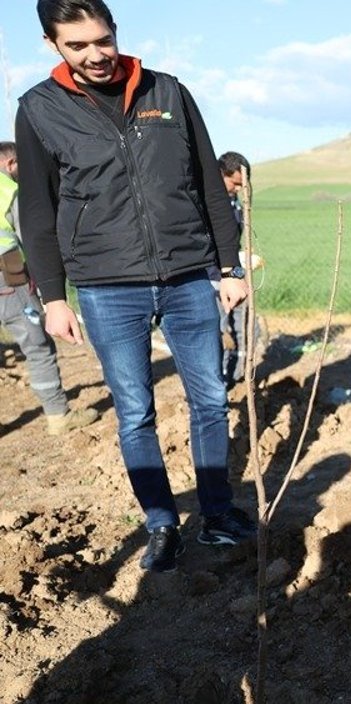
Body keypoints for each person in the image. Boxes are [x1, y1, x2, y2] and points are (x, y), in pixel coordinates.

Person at [16, 0, 256, 573]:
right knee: (135, 413)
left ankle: (218, 513)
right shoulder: (38, 109)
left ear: (115, 32)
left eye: (103, 39)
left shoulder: (167, 92)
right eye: (78, 46)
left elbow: (207, 184)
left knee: (209, 401)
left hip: (188, 277)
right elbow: (38, 208)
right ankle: (161, 522)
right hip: (105, 286)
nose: (96, 54)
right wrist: (53, 298)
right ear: (53, 46)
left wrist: (228, 269)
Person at [0, 141, 99, 435]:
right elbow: (29, 236)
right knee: (37, 346)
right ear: (11, 163)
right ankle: (58, 415)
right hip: (9, 279)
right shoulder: (8, 191)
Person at [216, 150, 250, 387]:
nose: (238, 190)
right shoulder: (211, 204)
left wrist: (241, 269)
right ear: (221, 174)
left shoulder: (235, 203)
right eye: (234, 184)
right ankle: (217, 380)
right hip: (213, 277)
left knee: (240, 322)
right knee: (217, 329)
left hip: (233, 272)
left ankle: (237, 375)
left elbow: (234, 246)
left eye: (242, 186)